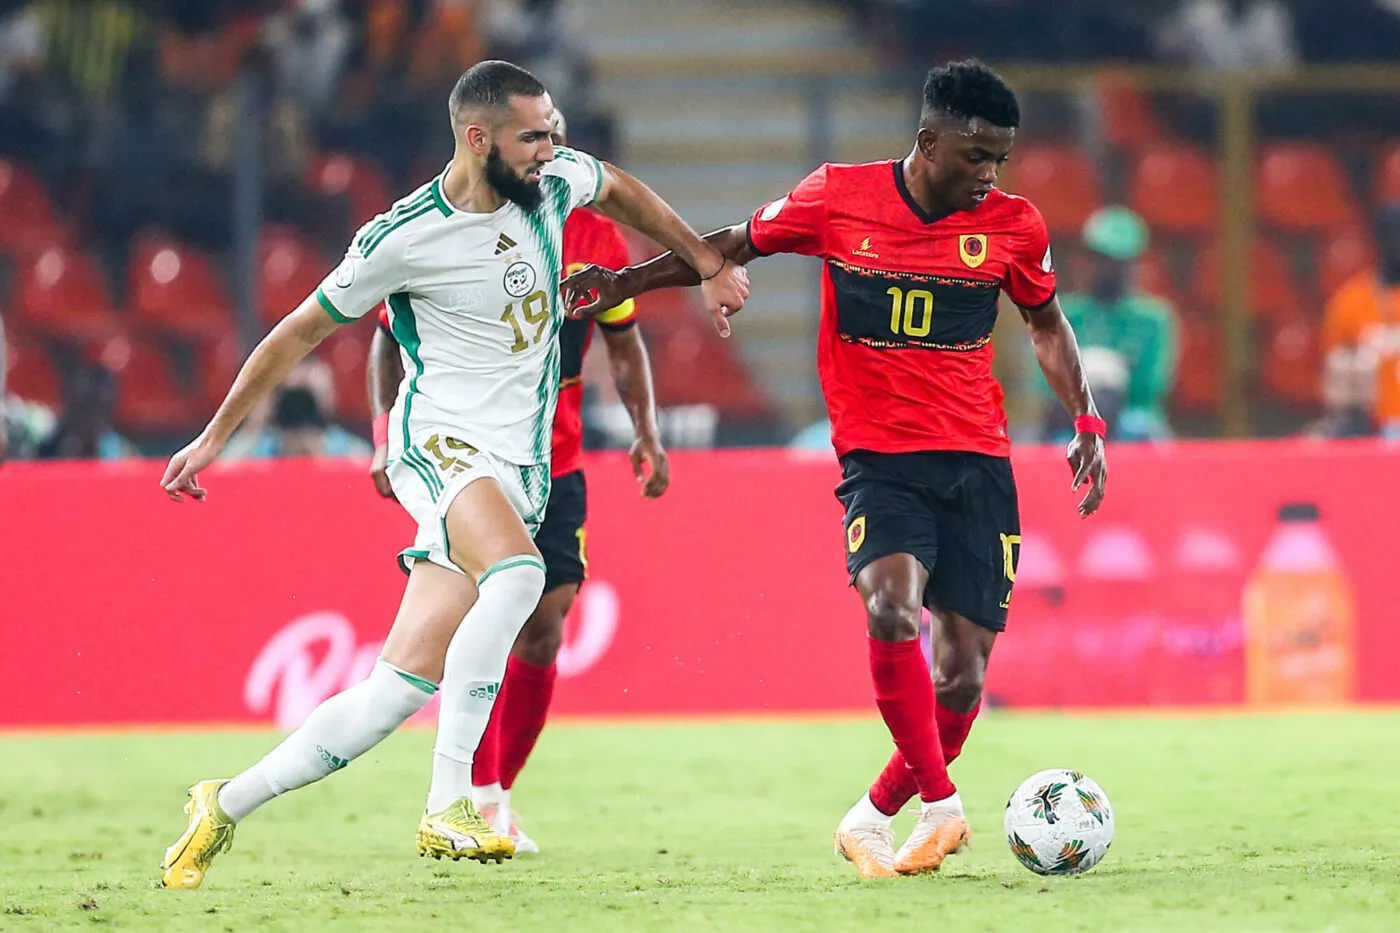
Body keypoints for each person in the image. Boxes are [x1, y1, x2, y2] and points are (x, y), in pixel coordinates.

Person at [157, 59, 748, 889]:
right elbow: (296, 333)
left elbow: (618, 188)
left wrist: (703, 259)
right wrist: (217, 434)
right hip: (438, 445)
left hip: (520, 460)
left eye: (555, 130)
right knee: (518, 575)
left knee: (395, 691)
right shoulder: (401, 237)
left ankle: (225, 800)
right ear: (479, 139)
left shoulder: (552, 186)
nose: (553, 148)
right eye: (533, 135)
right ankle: (452, 802)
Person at [564, 59, 1107, 879]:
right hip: (880, 459)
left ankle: (869, 817)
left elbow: (1047, 325)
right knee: (891, 610)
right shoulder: (837, 196)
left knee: (961, 676)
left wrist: (1087, 418)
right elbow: (729, 245)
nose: (989, 174)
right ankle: (945, 805)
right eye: (976, 155)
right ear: (929, 141)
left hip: (977, 461)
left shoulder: (1014, 225)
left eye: (1001, 158)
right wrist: (626, 279)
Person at [366, 111, 668, 855]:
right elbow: (383, 337)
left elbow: (623, 345)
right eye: (540, 146)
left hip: (558, 459)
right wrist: (382, 435)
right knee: (487, 618)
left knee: (547, 615)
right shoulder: (462, 228)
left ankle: (494, 793)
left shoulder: (599, 240)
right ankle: (461, 788)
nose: (551, 163)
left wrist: (646, 430)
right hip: (478, 460)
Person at [1037, 206, 1178, 443]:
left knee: (1144, 429)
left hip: (1131, 419)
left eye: (1115, 261)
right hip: (1073, 418)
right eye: (1098, 257)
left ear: (1133, 263)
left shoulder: (1153, 319)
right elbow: (1045, 380)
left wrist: (1112, 394)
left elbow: (1153, 386)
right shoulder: (1063, 315)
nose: (1105, 268)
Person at [1319, 201, 1400, 440]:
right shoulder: (1349, 302)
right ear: (1378, 240)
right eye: (1393, 234)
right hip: (1368, 435)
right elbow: (1333, 380)